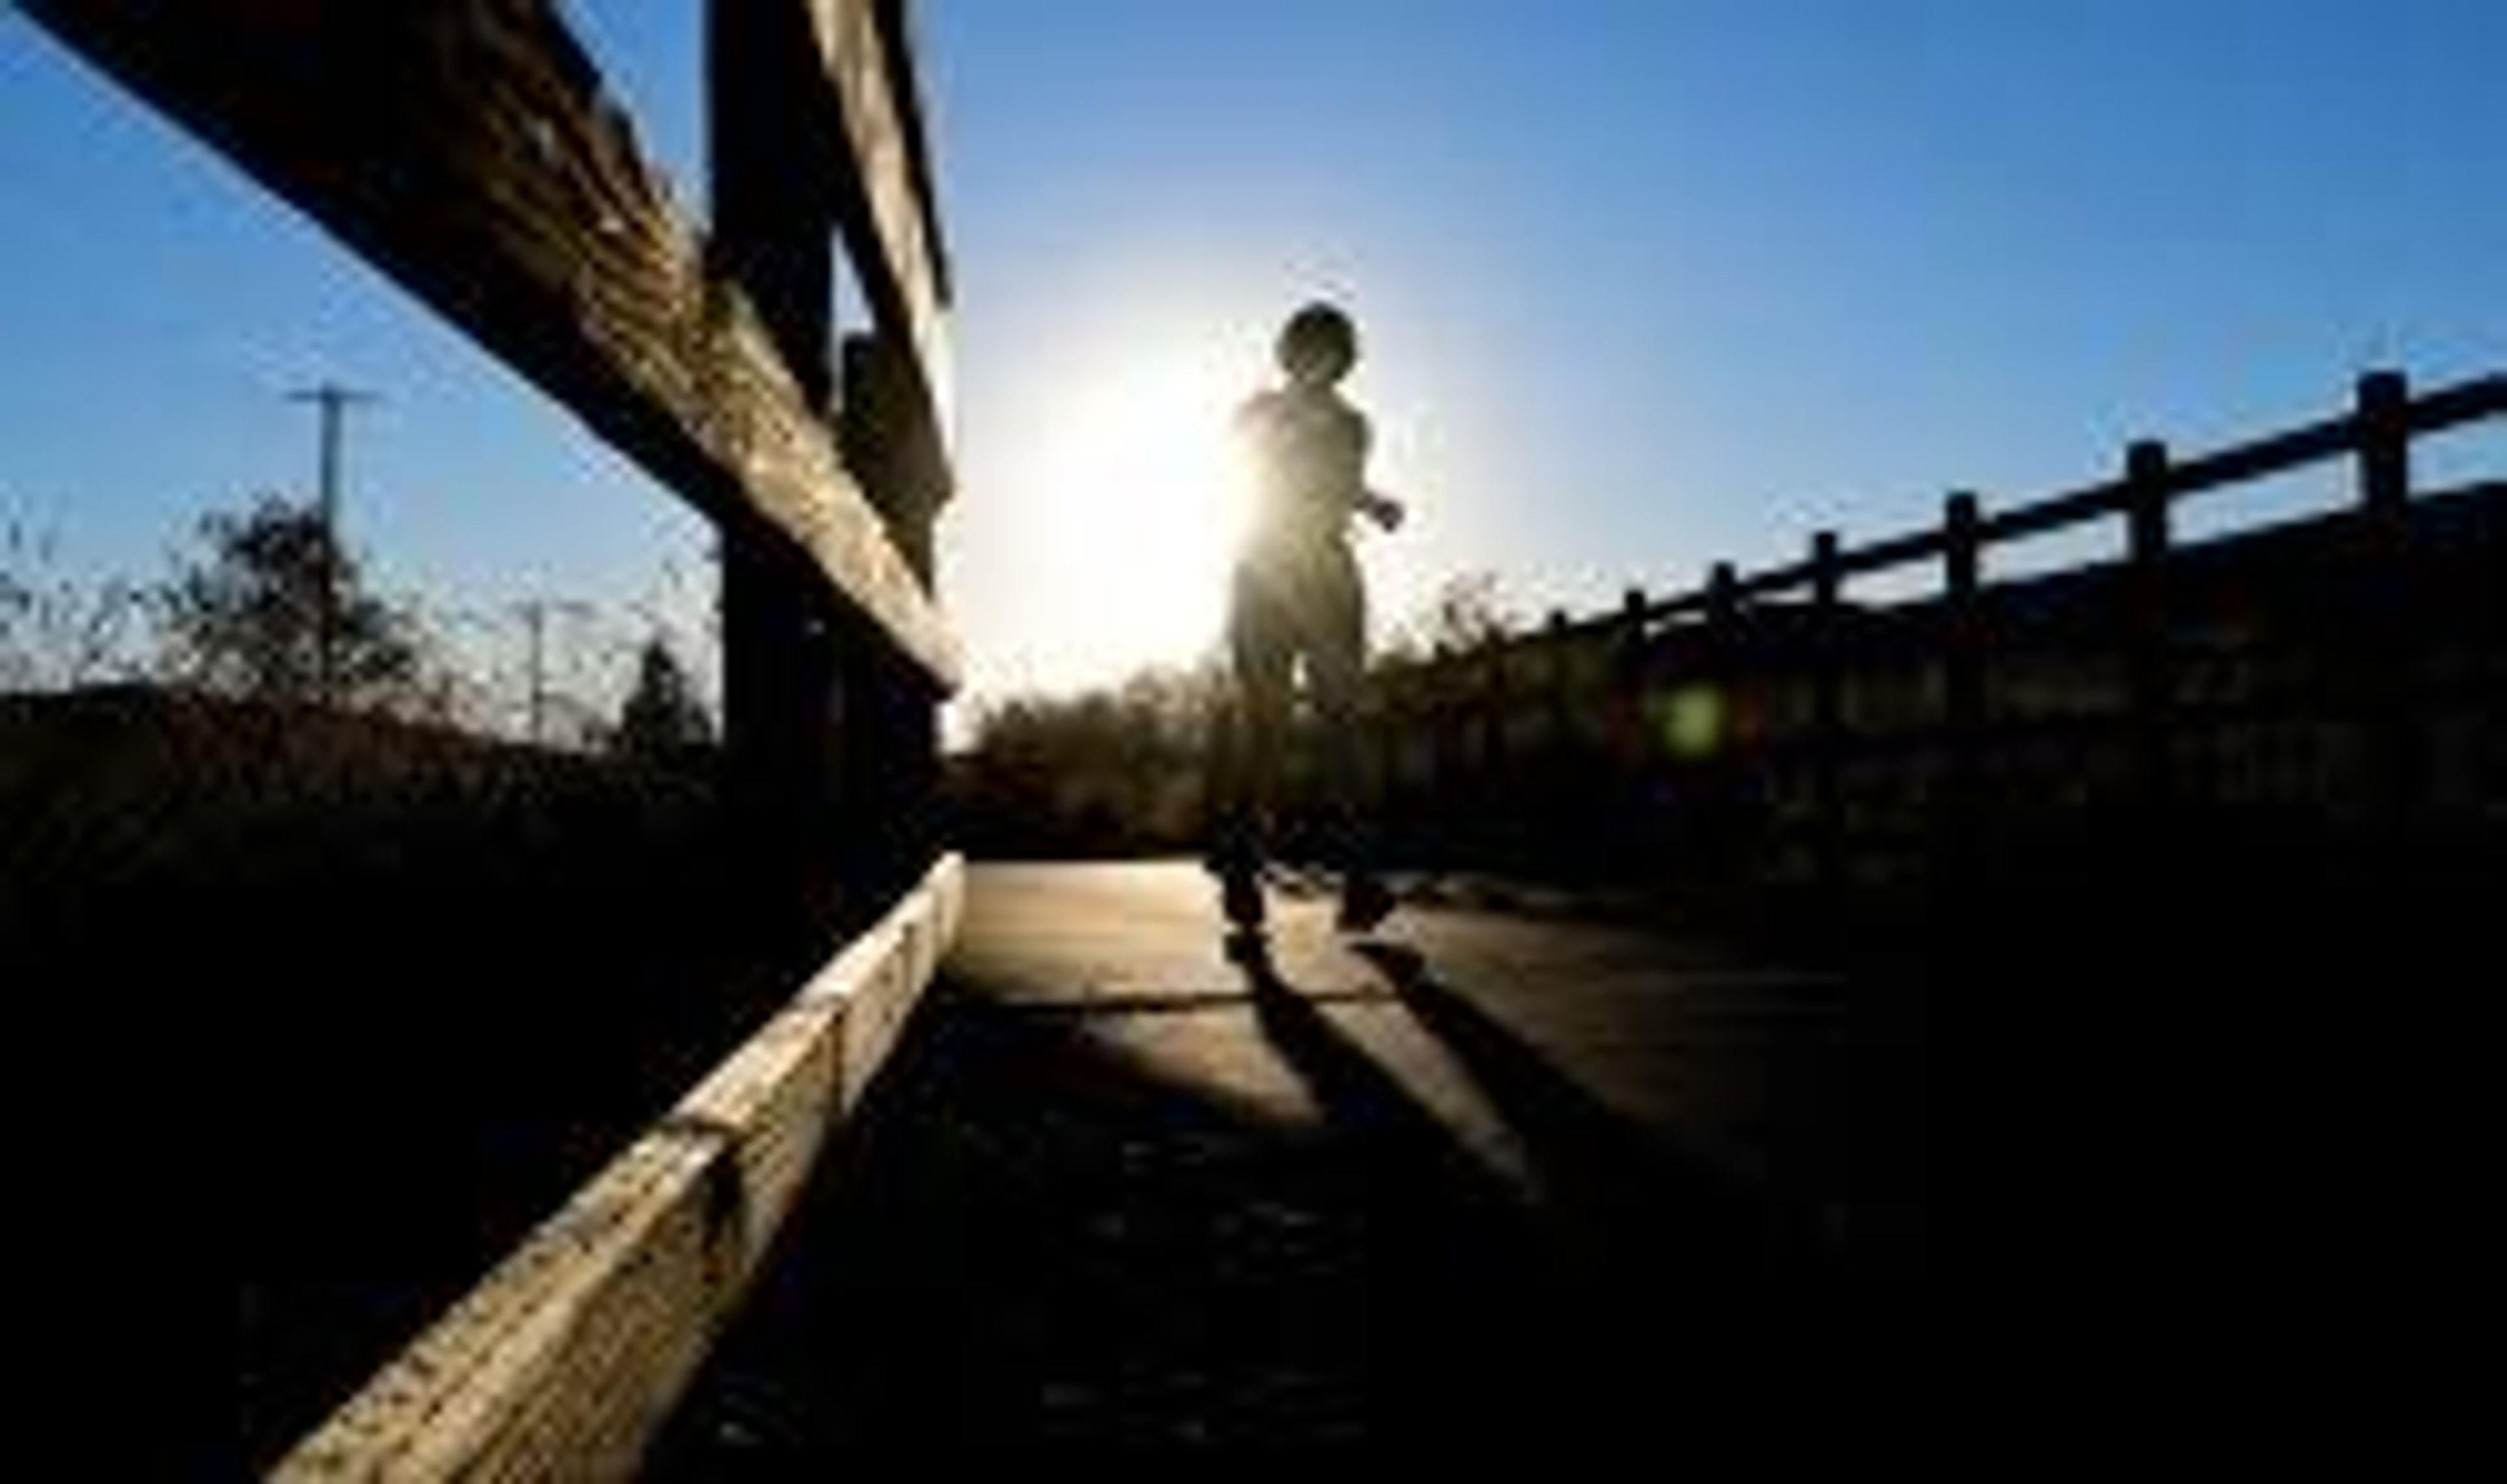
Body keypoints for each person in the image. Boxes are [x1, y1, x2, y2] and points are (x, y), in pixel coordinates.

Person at [1208, 300, 1405, 932]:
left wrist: (1374, 504)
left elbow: (1341, 480)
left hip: (1327, 575)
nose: (1323, 359)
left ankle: (1360, 879)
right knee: (1265, 725)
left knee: (1343, 726)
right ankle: (1241, 862)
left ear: (1345, 361)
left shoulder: (1354, 423)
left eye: (1334, 350)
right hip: (1265, 569)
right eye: (1310, 346)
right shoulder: (1257, 410)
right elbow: (1255, 464)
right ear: (1289, 352)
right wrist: (1300, 428)